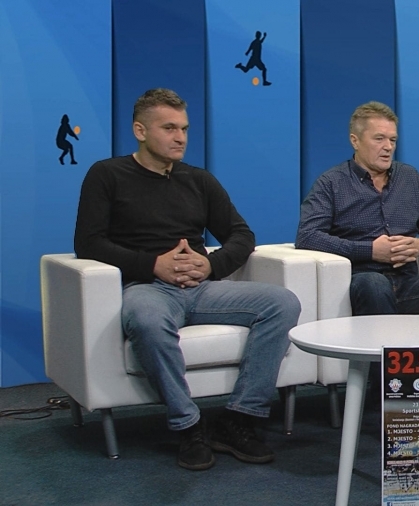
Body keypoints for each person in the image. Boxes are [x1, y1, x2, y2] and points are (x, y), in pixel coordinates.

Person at [74, 88, 301, 471]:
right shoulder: (107, 175)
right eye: (169, 128)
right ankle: (188, 425)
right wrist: (152, 265)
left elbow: (241, 235)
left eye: (184, 129)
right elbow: (88, 242)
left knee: (282, 303)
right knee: (146, 318)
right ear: (140, 131)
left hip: (203, 288)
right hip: (147, 288)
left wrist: (211, 265)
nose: (180, 137)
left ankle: (239, 417)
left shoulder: (199, 180)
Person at [294, 101, 419, 322]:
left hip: (408, 284)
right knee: (374, 283)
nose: (388, 147)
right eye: (379, 138)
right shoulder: (331, 183)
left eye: (392, 140)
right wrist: (370, 251)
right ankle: (387, 346)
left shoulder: (410, 178)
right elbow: (308, 236)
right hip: (362, 282)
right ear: (355, 141)